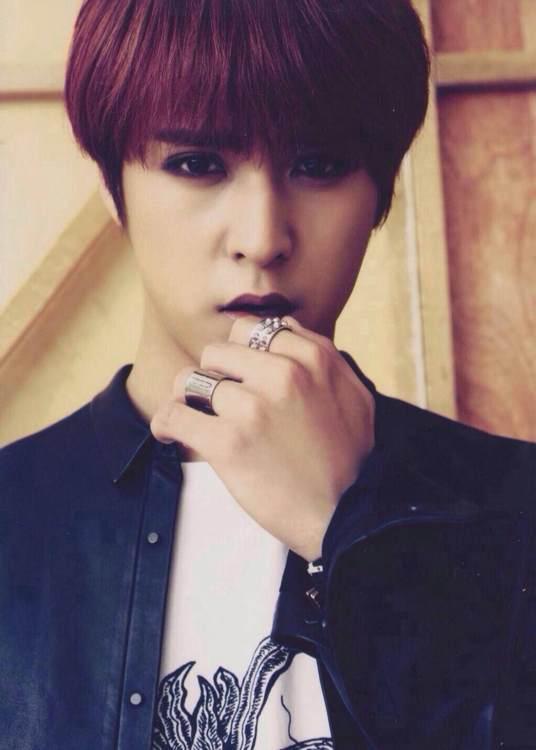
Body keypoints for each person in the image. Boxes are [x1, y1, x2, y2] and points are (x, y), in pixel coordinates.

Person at [1, 0, 534, 748]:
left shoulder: (517, 507)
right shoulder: (14, 517)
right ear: (110, 184)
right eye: (197, 164)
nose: (262, 238)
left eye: (319, 165)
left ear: (382, 191)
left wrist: (348, 533)